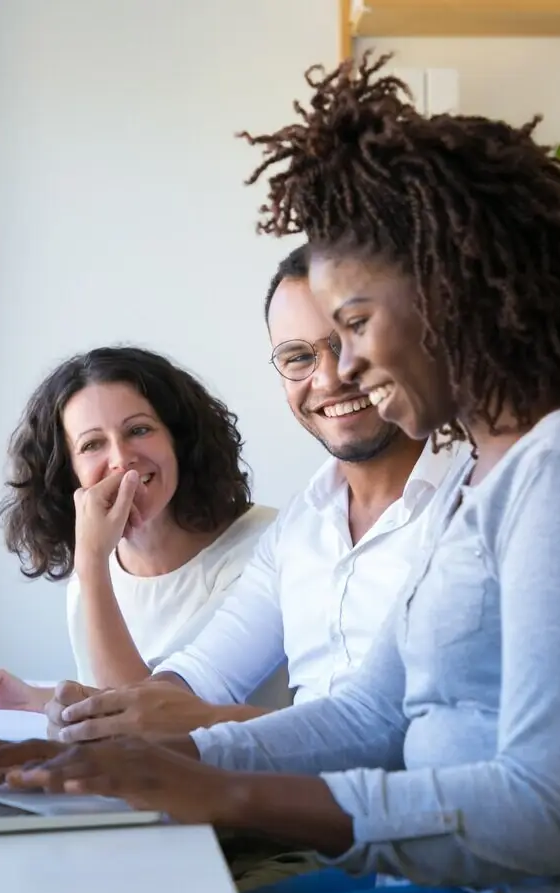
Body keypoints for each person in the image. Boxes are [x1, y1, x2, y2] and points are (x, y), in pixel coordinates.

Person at [0, 51, 560, 893]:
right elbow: (369, 715)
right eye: (316, 343)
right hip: (440, 884)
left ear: (450, 292)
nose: (344, 367)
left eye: (354, 323)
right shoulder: (479, 482)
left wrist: (221, 792)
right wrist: (157, 765)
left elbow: (550, 812)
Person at [38, 244, 470, 740]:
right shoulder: (301, 527)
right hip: (292, 805)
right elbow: (199, 678)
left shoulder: (475, 496)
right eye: (299, 357)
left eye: (351, 340)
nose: (329, 377)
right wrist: (98, 714)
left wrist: (192, 719)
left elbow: (433, 737)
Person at [0, 345, 277, 712]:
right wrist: (33, 699)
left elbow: (139, 721)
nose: (121, 459)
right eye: (92, 444)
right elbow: (109, 697)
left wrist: (91, 563)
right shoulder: (94, 572)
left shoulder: (265, 546)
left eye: (139, 430)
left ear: (180, 441)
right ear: (68, 472)